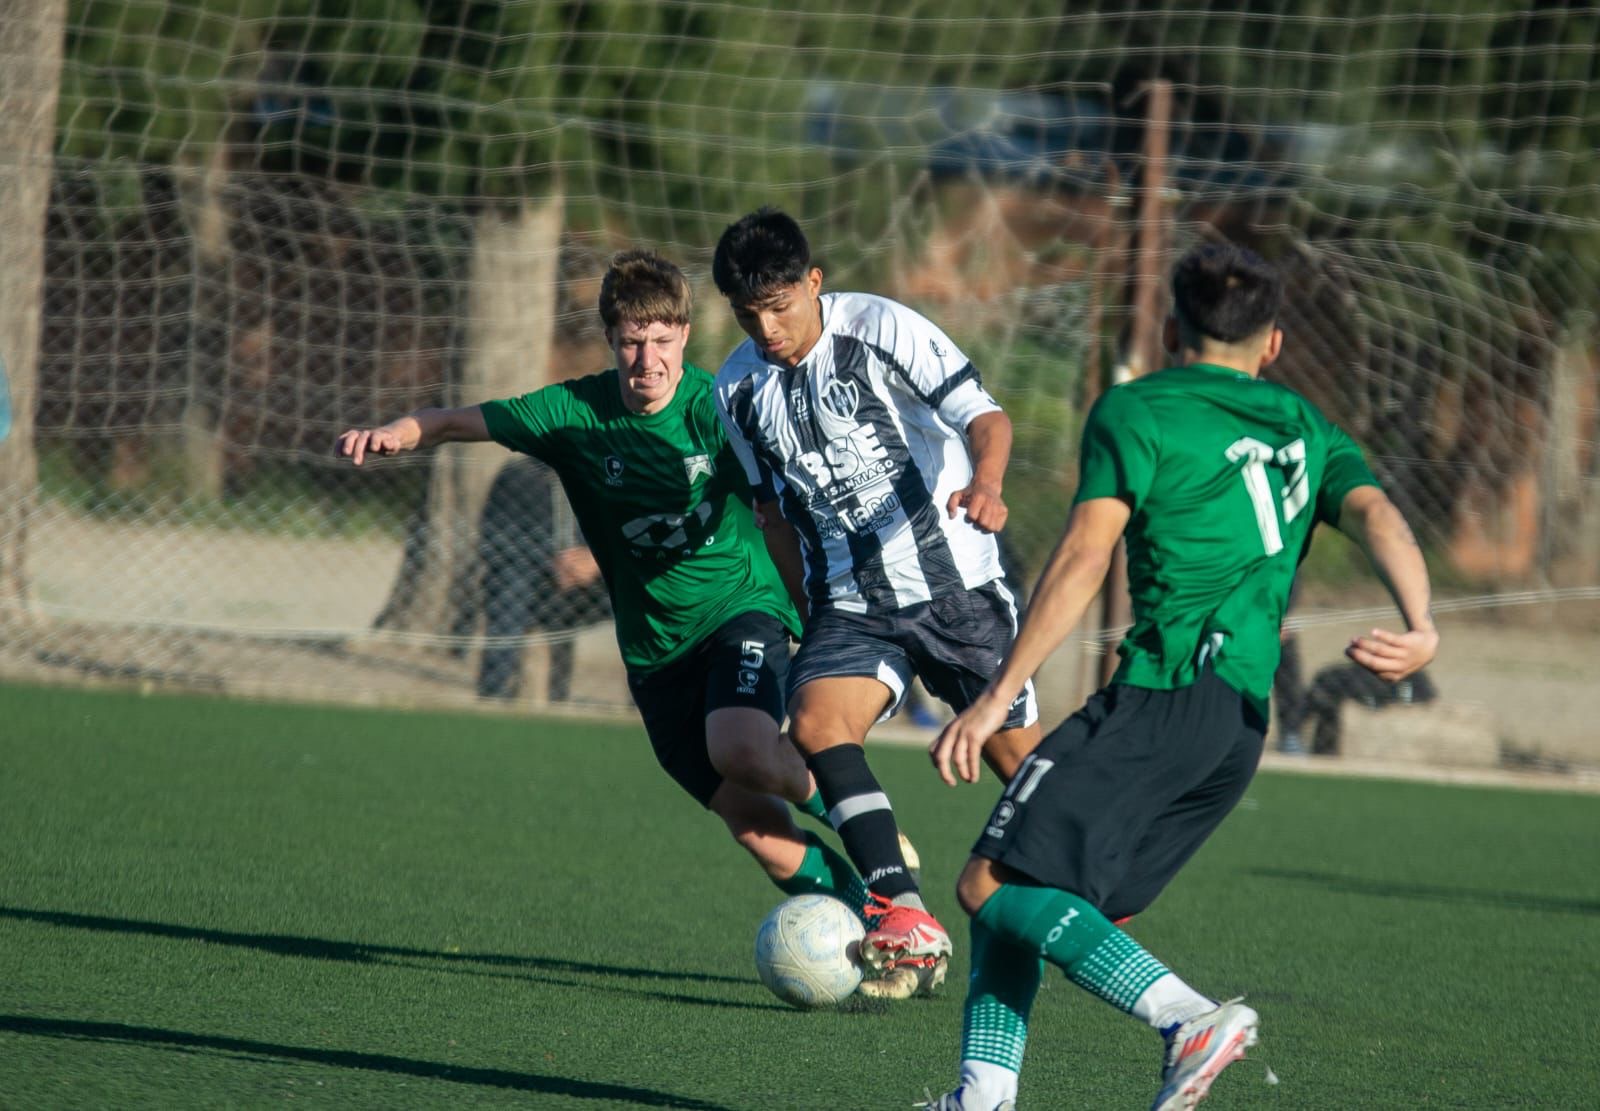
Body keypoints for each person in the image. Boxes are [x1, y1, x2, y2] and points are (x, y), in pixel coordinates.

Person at [918, 243, 1438, 1110]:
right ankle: (982, 1098)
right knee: (1031, 887)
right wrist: (1422, 623)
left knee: (989, 883)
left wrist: (998, 692)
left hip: (1161, 696)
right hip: (1236, 725)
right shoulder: (1304, 425)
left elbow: (1087, 552)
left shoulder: (1137, 409)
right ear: (1271, 342)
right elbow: (1378, 510)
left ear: (1168, 329)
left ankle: (1189, 1019)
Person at [333, 250, 880, 950]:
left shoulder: (720, 410)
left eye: (660, 340)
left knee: (741, 745)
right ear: (610, 340)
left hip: (739, 609)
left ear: (684, 335)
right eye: (630, 341)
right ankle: (871, 914)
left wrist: (818, 610)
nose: (646, 359)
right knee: (760, 835)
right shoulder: (573, 413)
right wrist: (397, 434)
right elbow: (453, 421)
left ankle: (871, 829)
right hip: (654, 655)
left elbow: (786, 511)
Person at [711, 207, 1043, 998]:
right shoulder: (737, 388)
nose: (767, 327)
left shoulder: (883, 329)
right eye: (748, 313)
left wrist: (987, 485)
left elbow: (985, 417)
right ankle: (904, 909)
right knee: (819, 724)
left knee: (1024, 775)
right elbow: (773, 513)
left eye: (780, 306)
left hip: (953, 587)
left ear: (814, 284)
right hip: (852, 603)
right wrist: (800, 608)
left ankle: (1105, 894)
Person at [462, 456, 609, 704]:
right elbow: (497, 542)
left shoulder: (615, 473)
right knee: (508, 589)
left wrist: (596, 559)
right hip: (535, 581)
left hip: (601, 579)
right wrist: (555, 561)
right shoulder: (520, 475)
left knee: (654, 592)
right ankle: (493, 697)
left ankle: (650, 706)